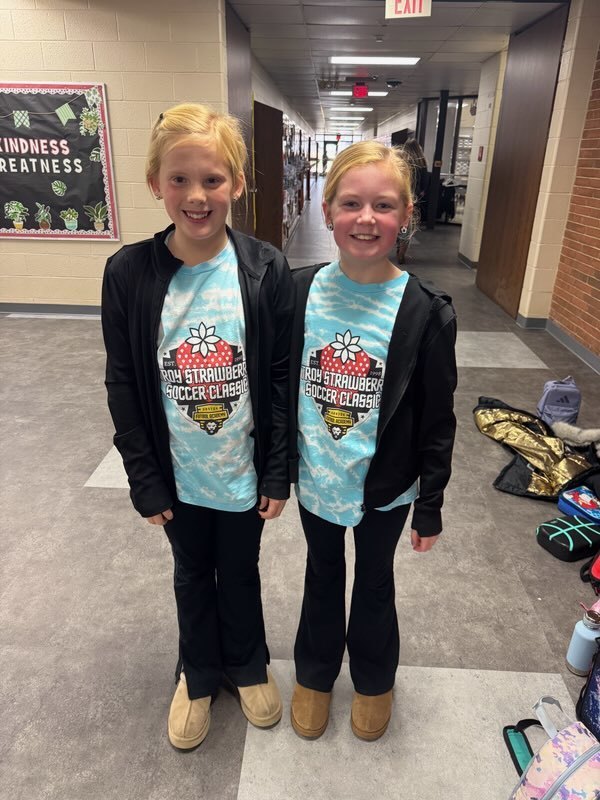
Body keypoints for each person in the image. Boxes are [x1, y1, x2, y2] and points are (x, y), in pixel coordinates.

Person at [101, 103, 293, 750]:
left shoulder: (265, 270)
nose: (196, 195)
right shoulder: (128, 273)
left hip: (240, 468)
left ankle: (247, 663)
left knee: (239, 569)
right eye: (179, 179)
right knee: (191, 572)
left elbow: (278, 381)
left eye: (212, 179)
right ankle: (198, 672)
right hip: (176, 470)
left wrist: (276, 469)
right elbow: (124, 382)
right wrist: (143, 478)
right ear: (156, 182)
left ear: (236, 183)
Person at [288, 140, 457, 742]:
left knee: (375, 582)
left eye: (383, 205)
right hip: (318, 478)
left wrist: (430, 504)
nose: (366, 219)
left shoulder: (424, 311)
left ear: (405, 214)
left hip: (385, 487)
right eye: (352, 203)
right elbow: (282, 387)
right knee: (322, 575)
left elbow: (439, 419)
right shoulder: (299, 292)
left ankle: (374, 679)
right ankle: (313, 673)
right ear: (328, 208)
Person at [396, 138, 429, 264]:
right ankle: (402, 251)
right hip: (413, 198)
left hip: (399, 196)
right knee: (408, 224)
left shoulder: (400, 161)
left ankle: (398, 242)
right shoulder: (421, 162)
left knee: (397, 221)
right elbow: (425, 183)